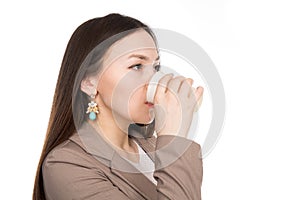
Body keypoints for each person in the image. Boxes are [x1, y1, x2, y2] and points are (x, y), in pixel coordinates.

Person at [33, 13, 204, 200]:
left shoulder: (152, 147)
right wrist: (175, 139)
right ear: (89, 82)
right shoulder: (66, 165)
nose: (155, 80)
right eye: (137, 66)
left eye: (155, 67)